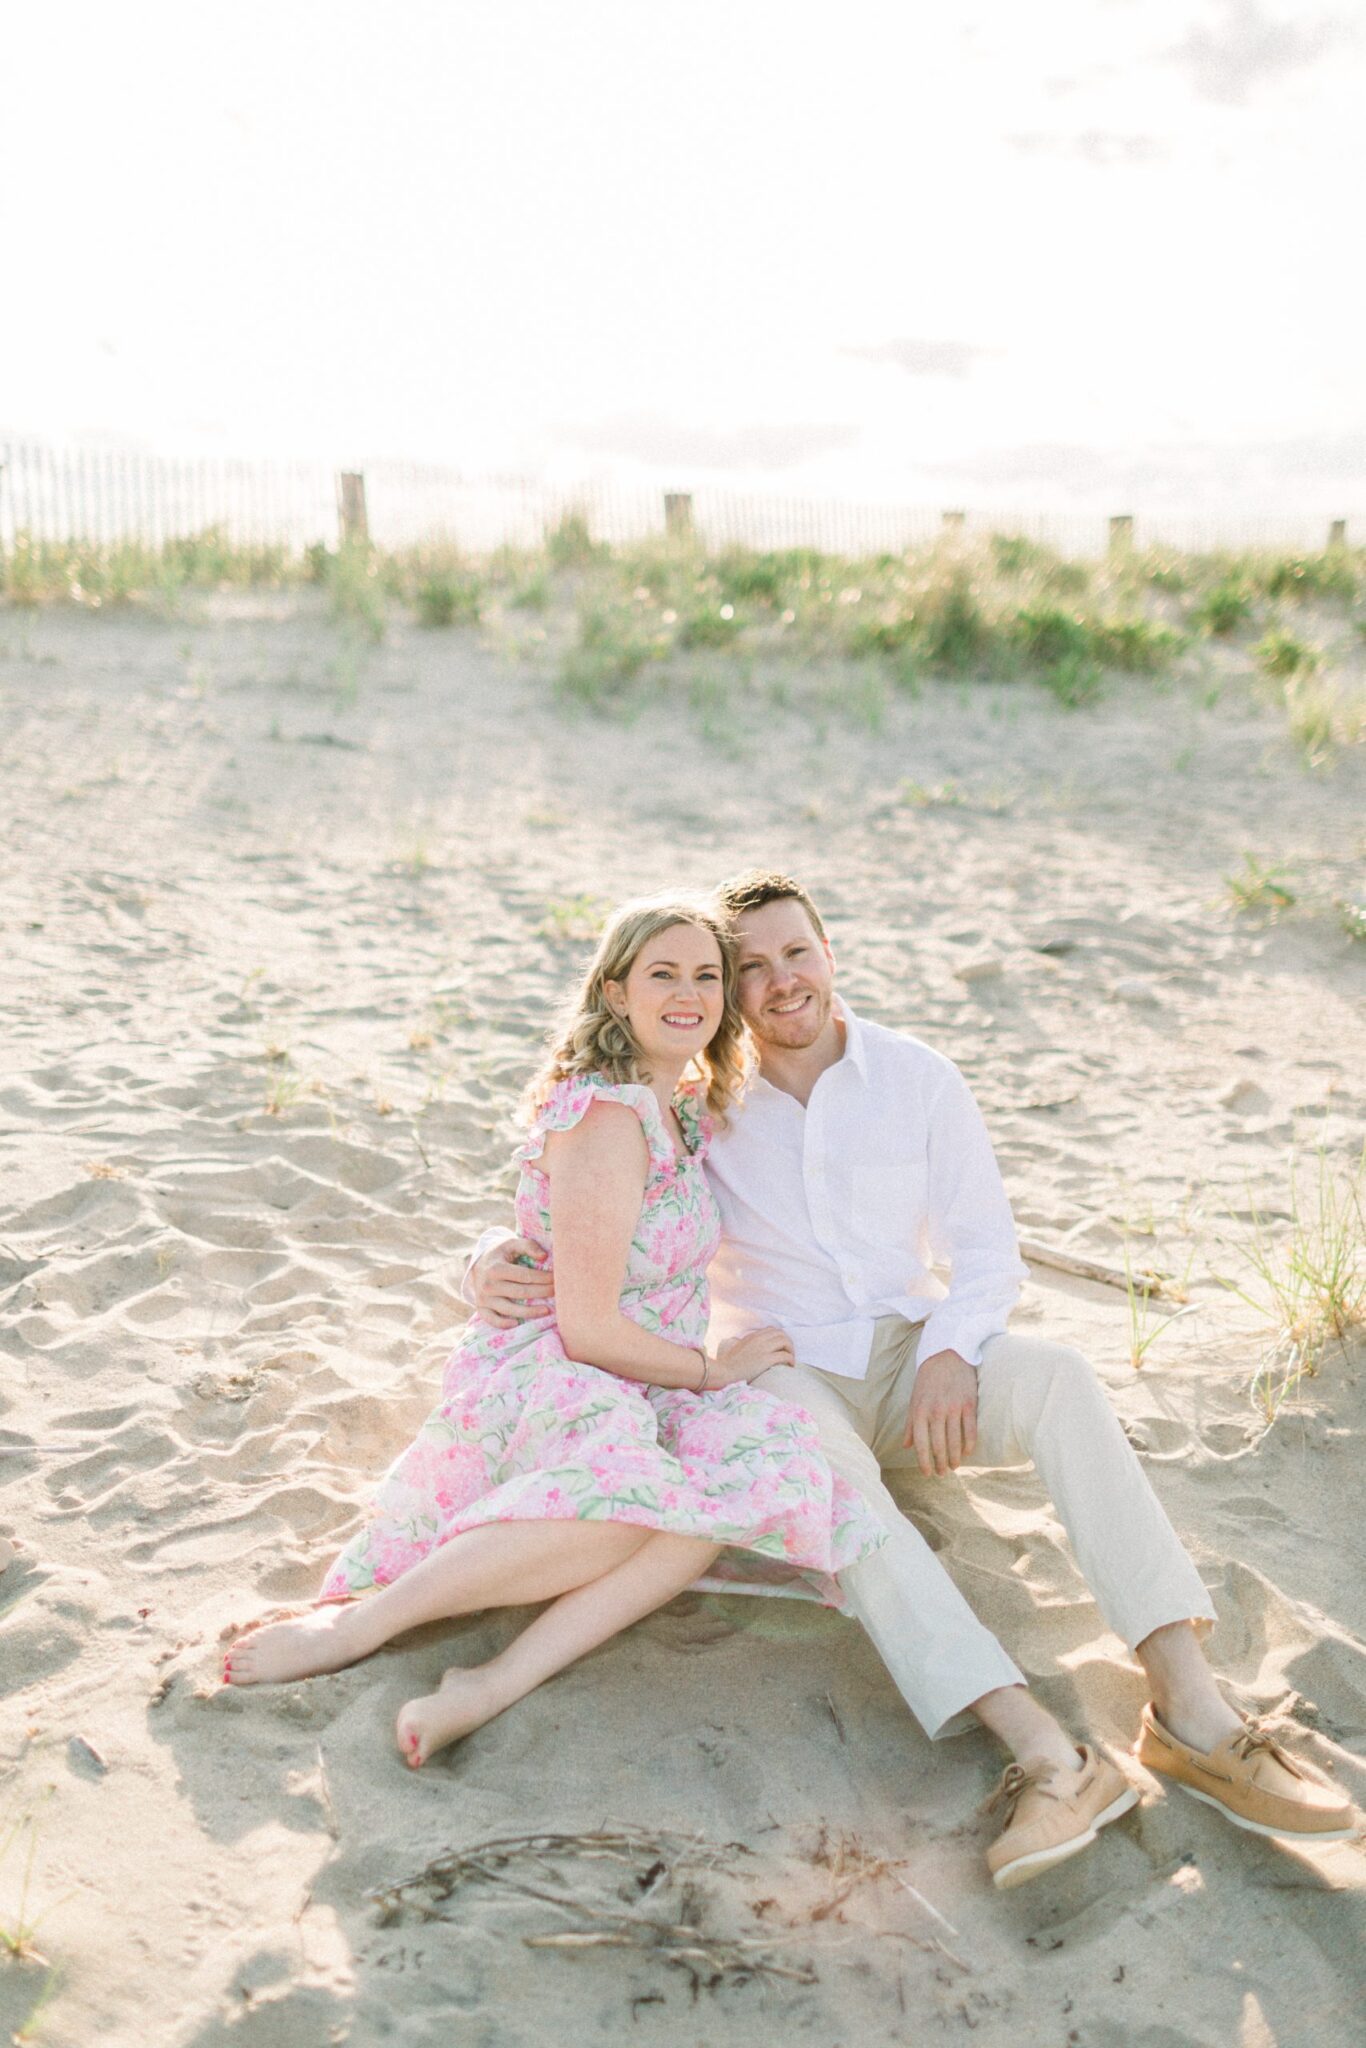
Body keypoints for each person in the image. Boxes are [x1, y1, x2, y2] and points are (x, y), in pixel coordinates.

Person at [469, 870, 1356, 1887]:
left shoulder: (915, 1076)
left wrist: (949, 1347)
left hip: (916, 1359)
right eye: (749, 967)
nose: (780, 980)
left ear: (829, 953)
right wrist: (486, 1252)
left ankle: (1192, 1712)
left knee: (1061, 1377)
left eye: (796, 952)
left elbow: (986, 1248)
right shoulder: (695, 1099)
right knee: (820, 1463)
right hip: (786, 1367)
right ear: (727, 988)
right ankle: (1045, 1756)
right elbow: (577, 1184)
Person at [224, 896, 885, 1769]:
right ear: (615, 993)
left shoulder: (682, 1103)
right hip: (567, 1363)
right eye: (662, 974)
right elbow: (587, 1324)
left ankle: (493, 1682)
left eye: (706, 976)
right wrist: (712, 1370)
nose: (688, 993)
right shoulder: (609, 1118)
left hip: (641, 1373)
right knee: (632, 1511)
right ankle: (360, 1626)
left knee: (721, 1499)